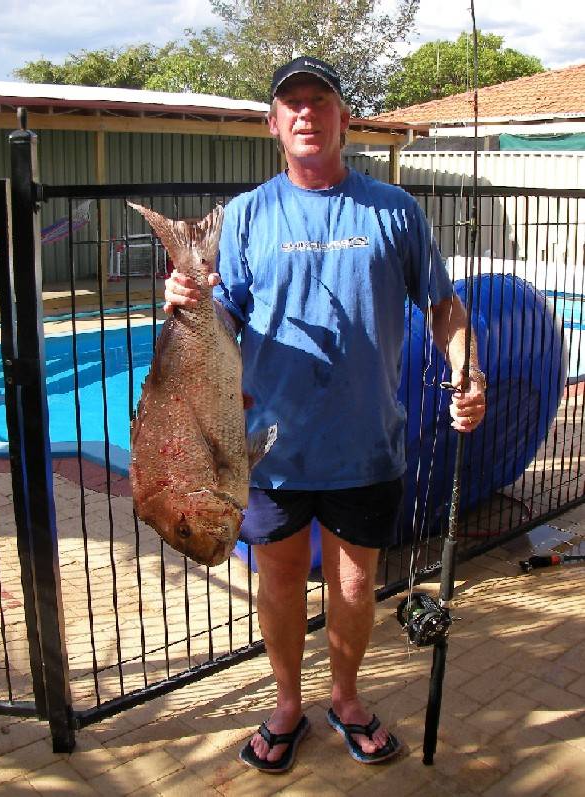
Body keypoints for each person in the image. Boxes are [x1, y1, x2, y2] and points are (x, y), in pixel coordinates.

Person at [164, 56, 486, 773]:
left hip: (364, 443)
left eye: (320, 100)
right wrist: (188, 305)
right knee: (278, 580)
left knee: (353, 584)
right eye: (292, 104)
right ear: (273, 124)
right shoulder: (247, 214)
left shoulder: (393, 210)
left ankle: (345, 697)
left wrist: (467, 368)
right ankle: (286, 704)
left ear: (344, 118)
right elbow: (226, 313)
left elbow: (443, 305)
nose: (306, 113)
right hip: (269, 447)